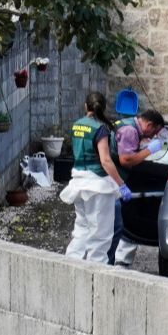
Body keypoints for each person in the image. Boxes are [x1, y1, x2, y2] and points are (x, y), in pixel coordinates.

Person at [60, 92, 131, 264]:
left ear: (86, 106)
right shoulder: (100, 128)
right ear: (103, 107)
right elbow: (105, 160)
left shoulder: (77, 125)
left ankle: (71, 265)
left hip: (78, 181)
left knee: (82, 229)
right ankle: (96, 274)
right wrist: (121, 185)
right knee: (101, 235)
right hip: (98, 185)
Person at [107, 109, 166, 267]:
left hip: (112, 180)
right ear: (149, 124)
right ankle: (109, 262)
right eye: (155, 131)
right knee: (114, 226)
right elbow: (126, 160)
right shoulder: (130, 131)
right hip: (112, 181)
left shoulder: (125, 124)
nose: (154, 136)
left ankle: (111, 260)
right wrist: (149, 150)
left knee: (114, 224)